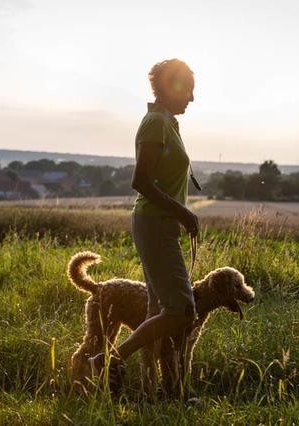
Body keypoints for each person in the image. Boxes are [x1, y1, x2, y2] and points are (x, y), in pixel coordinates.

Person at [89, 58, 199, 393]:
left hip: (160, 225)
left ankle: (156, 390)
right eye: (188, 90)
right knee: (182, 310)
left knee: (158, 308)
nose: (192, 99)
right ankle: (110, 360)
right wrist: (182, 212)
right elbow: (140, 180)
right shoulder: (154, 123)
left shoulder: (168, 122)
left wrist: (178, 215)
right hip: (154, 223)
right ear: (169, 87)